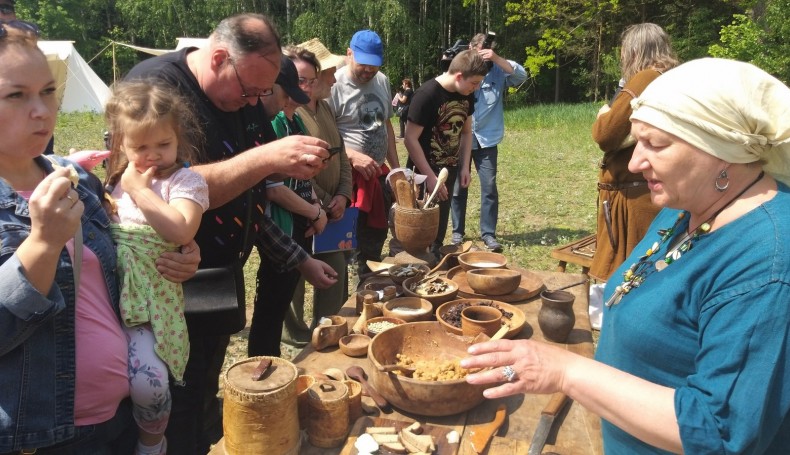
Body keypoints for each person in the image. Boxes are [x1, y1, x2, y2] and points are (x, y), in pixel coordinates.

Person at [461, 58, 790, 454]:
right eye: (638, 142)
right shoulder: (686, 206)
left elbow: (720, 430)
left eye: (657, 144)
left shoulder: (768, 262)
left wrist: (566, 371)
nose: (635, 162)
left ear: (722, 151)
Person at [124, 14, 337, 454]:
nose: (255, 102)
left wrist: (298, 257)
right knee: (174, 404)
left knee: (203, 394)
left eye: (263, 93)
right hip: (168, 288)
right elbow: (156, 185)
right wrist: (266, 159)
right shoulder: (158, 88)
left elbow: (249, 198)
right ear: (219, 57)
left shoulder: (241, 100)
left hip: (219, 275)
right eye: (249, 90)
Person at [0, 23, 199, 454]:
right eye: (16, 95)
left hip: (121, 418)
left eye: (48, 91)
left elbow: (119, 251)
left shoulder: (74, 179)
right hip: (47, 438)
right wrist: (42, 243)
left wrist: (178, 249)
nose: (41, 110)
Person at [102, 81, 209, 455]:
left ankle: (152, 442)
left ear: (179, 138)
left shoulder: (185, 182)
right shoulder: (111, 182)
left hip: (151, 305)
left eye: (163, 145)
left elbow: (181, 228)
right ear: (120, 145)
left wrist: (139, 190)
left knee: (151, 384)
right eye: (140, 148)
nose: (152, 156)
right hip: (107, 300)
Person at [247, 54, 325, 357]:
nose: (300, 91)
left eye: (307, 82)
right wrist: (313, 211)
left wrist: (315, 206)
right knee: (272, 302)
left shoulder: (295, 122)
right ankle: (265, 364)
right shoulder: (274, 123)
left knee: (282, 294)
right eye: (297, 83)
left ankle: (270, 361)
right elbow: (274, 188)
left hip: (299, 222)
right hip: (280, 223)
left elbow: (303, 179)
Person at [589, 23, 679, 281]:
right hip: (650, 191)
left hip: (635, 197)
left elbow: (604, 134)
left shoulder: (646, 78)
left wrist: (605, 115)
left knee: (627, 276)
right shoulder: (671, 78)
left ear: (634, 51)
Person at [282, 40, 353, 348]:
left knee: (333, 269)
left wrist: (344, 194)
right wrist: (324, 203)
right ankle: (297, 332)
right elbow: (293, 170)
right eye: (330, 74)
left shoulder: (324, 107)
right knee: (297, 275)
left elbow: (342, 156)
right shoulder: (291, 113)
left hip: (329, 210)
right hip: (307, 210)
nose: (335, 80)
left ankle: (324, 328)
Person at [329, 29, 400, 278]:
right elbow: (324, 136)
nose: (369, 71)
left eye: (374, 65)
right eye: (364, 64)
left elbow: (387, 126)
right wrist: (352, 156)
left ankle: (369, 285)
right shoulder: (333, 85)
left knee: (375, 236)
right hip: (348, 179)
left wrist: (397, 168)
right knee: (346, 244)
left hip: (378, 174)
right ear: (349, 54)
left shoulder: (382, 81)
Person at [404, 49, 488, 258]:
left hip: (446, 173)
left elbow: (467, 132)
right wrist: (430, 178)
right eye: (474, 83)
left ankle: (435, 271)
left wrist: (464, 166)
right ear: (459, 76)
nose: (476, 88)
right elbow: (410, 139)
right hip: (422, 176)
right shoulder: (427, 95)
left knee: (438, 232)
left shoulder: (466, 95)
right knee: (420, 234)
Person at [450, 33, 527, 253]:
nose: (483, 53)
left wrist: (495, 58)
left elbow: (521, 75)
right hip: (462, 138)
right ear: (471, 47)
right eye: (480, 49)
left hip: (487, 139)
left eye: (487, 50)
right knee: (458, 187)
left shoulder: (497, 70)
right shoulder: (461, 70)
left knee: (489, 187)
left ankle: (488, 234)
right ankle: (457, 232)